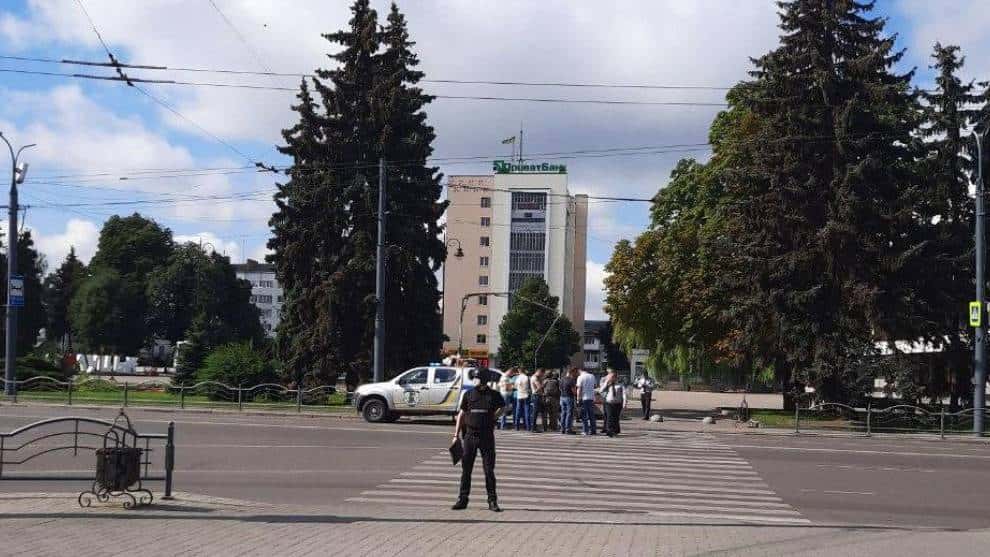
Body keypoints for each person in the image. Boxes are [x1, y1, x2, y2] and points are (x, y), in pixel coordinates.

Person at [451, 367, 504, 512]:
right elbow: (461, 414)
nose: (475, 380)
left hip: (486, 436)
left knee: (489, 470)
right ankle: (462, 499)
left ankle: (492, 501)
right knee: (466, 469)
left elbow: (503, 407)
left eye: (477, 378)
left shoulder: (493, 395)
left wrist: (494, 416)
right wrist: (455, 435)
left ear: (483, 379)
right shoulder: (468, 394)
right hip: (470, 436)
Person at [601, 369, 627, 437]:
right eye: (610, 377)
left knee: (616, 418)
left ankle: (615, 430)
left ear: (615, 378)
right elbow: (601, 391)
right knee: (609, 417)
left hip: (618, 404)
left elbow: (624, 395)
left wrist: (624, 404)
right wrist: (606, 383)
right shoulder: (608, 385)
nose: (611, 378)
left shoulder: (620, 385)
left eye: (612, 377)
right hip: (609, 403)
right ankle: (609, 431)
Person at [576, 368, 598, 436]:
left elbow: (579, 388)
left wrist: (578, 398)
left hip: (584, 398)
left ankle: (585, 431)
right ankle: (593, 430)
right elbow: (595, 386)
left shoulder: (580, 377)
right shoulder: (592, 376)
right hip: (591, 398)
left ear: (580, 371)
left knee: (584, 415)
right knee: (592, 415)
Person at [559, 368, 578, 434]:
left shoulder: (562, 379)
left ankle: (562, 428)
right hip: (569, 397)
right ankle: (568, 429)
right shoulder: (571, 380)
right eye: (575, 373)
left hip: (562, 397)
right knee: (569, 414)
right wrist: (577, 393)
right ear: (572, 372)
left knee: (563, 413)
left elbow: (560, 389)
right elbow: (574, 392)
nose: (576, 374)